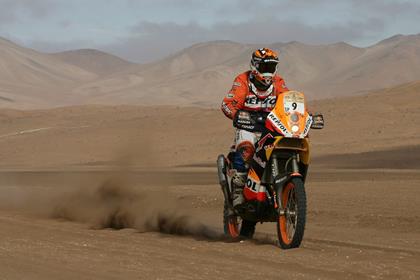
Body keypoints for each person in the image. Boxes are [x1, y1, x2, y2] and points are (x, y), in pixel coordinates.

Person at [221, 48, 289, 209]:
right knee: (247, 146)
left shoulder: (278, 83)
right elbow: (227, 104)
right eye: (265, 68)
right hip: (248, 126)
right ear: (255, 66)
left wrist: (303, 115)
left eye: (271, 68)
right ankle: (238, 190)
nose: (268, 73)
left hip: (271, 127)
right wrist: (236, 115)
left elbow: (289, 101)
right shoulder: (243, 81)